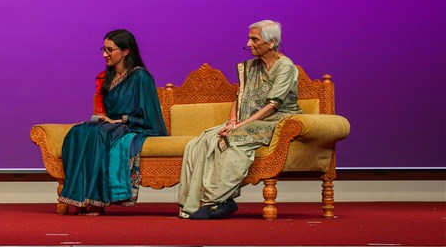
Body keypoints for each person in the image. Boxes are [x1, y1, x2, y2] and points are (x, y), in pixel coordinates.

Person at [178, 20, 301, 219]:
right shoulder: (252, 67)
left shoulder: (285, 66)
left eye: (254, 39)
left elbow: (273, 105)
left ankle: (214, 202)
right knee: (202, 140)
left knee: (230, 139)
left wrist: (239, 126)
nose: (248, 43)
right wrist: (232, 121)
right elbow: (240, 97)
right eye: (249, 38)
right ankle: (201, 202)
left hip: (277, 121)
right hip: (249, 120)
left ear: (271, 42)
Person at [58, 29, 168, 214]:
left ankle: (97, 199)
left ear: (125, 51)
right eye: (103, 49)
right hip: (111, 125)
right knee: (78, 132)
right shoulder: (106, 78)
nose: (104, 54)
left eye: (110, 50)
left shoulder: (140, 76)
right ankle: (80, 197)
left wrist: (121, 119)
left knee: (100, 135)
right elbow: (104, 110)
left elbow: (149, 114)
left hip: (134, 125)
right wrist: (104, 118)